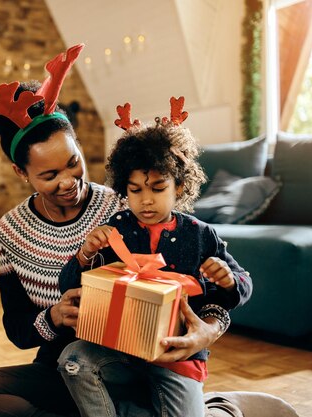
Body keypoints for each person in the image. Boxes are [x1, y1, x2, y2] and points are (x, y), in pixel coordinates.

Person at [0, 45, 232, 417]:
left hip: (132, 362)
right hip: (66, 364)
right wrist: (53, 318)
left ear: (80, 147)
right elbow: (17, 329)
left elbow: (200, 274)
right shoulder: (11, 231)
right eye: (49, 176)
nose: (68, 182)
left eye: (73, 163)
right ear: (22, 173)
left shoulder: (124, 205)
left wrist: (208, 331)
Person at [57, 98, 253, 417]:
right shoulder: (115, 228)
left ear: (179, 186)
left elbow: (243, 285)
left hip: (178, 358)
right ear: (125, 190)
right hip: (120, 352)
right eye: (135, 191)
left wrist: (228, 280)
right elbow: (67, 286)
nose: (146, 200)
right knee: (73, 361)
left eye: (158, 188)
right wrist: (84, 254)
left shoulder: (200, 234)